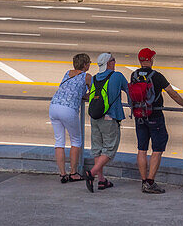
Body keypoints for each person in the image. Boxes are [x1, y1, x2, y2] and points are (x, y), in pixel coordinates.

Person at [130, 47, 183, 194]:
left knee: (142, 149)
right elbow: (172, 93)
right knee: (157, 149)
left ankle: (144, 180)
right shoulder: (156, 76)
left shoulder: (134, 75)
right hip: (155, 116)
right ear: (150, 60)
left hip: (139, 116)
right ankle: (150, 182)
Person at [85, 52, 130, 192]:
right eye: (113, 60)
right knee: (109, 149)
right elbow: (129, 91)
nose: (115, 62)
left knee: (97, 148)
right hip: (110, 117)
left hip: (95, 116)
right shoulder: (117, 76)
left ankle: (102, 180)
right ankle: (91, 174)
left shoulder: (94, 78)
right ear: (109, 63)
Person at [49, 52, 91, 182]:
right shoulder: (87, 76)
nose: (90, 64)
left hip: (54, 105)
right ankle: (73, 173)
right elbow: (93, 93)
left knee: (59, 141)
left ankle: (62, 174)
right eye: (89, 62)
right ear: (85, 65)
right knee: (76, 141)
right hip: (68, 109)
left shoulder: (67, 73)